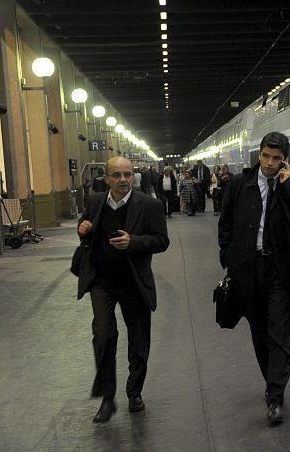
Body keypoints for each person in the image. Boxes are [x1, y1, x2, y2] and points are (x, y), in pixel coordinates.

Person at [218, 132, 290, 424]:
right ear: (258, 155)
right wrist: (228, 258)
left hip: (278, 271)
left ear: (285, 160)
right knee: (259, 332)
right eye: (266, 156)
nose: (270, 163)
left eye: (277, 158)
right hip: (247, 270)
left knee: (279, 333)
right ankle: (271, 382)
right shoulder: (239, 184)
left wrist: (287, 186)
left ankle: (275, 396)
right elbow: (225, 224)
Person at [75, 156, 169, 423]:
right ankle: (107, 398)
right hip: (102, 282)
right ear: (106, 179)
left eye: (127, 174)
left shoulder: (150, 205)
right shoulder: (95, 203)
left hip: (134, 282)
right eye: (116, 175)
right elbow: (84, 229)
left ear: (134, 176)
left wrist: (134, 242)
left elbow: (162, 241)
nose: (123, 180)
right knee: (103, 336)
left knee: (139, 341)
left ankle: (134, 392)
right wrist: (83, 230)